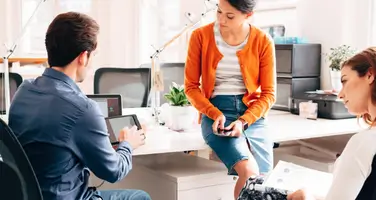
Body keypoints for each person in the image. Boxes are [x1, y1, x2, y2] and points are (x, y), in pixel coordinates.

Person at [8, 12, 151, 200]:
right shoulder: (82, 109)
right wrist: (128, 145)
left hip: (31, 195)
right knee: (140, 196)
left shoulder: (23, 91)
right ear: (83, 57)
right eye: (94, 55)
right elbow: (114, 172)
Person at [184, 0, 276, 198]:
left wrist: (243, 121)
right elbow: (191, 87)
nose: (221, 19)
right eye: (219, 12)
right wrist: (214, 113)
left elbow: (269, 94)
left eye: (230, 16)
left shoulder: (263, 40)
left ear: (248, 15)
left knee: (266, 180)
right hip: (216, 113)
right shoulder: (200, 36)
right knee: (249, 171)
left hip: (252, 115)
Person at [287, 47, 376, 200]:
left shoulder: (364, 143)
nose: (340, 94)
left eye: (345, 81)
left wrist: (307, 197)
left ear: (370, 75)